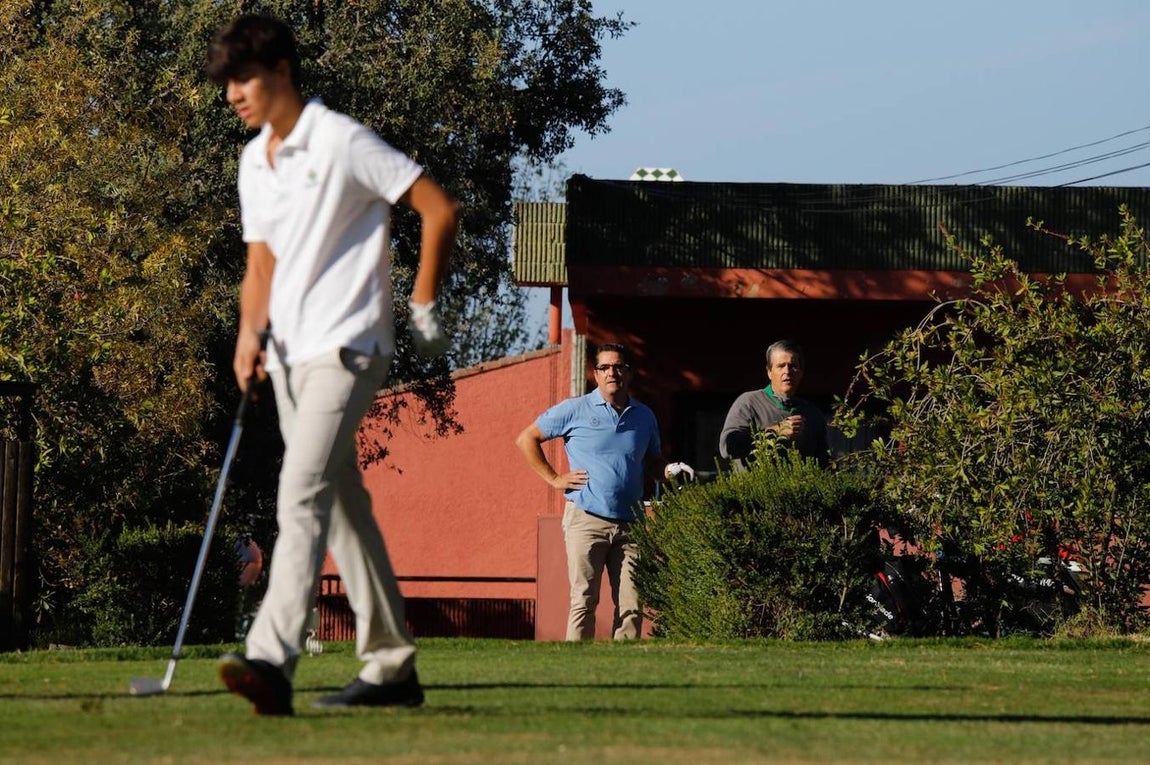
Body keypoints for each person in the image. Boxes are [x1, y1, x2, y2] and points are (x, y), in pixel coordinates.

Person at [205, 14, 460, 716]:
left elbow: (437, 208)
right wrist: (247, 333)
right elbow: (260, 264)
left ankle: (270, 655)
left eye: (245, 77)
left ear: (283, 71)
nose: (234, 94)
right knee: (343, 508)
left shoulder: (343, 140)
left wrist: (424, 301)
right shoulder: (254, 162)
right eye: (228, 82)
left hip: (349, 346)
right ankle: (392, 666)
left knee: (300, 492)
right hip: (286, 355)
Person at [516, 343, 691, 640]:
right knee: (584, 600)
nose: (613, 372)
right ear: (595, 374)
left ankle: (622, 676)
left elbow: (651, 460)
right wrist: (555, 478)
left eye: (619, 366)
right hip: (587, 519)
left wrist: (669, 471)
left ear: (629, 373)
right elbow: (527, 438)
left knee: (632, 605)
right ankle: (575, 673)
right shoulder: (574, 409)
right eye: (605, 367)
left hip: (632, 524)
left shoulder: (644, 416)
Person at [718, 339, 829, 466]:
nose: (787, 371)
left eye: (793, 366)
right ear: (769, 372)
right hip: (756, 485)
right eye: (780, 366)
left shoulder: (812, 413)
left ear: (801, 373)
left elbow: (825, 465)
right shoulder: (749, 403)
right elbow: (727, 447)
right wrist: (776, 432)